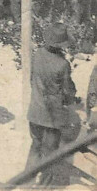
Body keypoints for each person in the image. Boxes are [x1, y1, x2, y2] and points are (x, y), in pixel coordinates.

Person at [26, 23, 77, 187]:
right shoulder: (62, 64)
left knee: (35, 147)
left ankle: (26, 183)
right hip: (52, 117)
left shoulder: (38, 54)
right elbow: (68, 91)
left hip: (34, 111)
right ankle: (44, 188)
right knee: (49, 156)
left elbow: (32, 79)